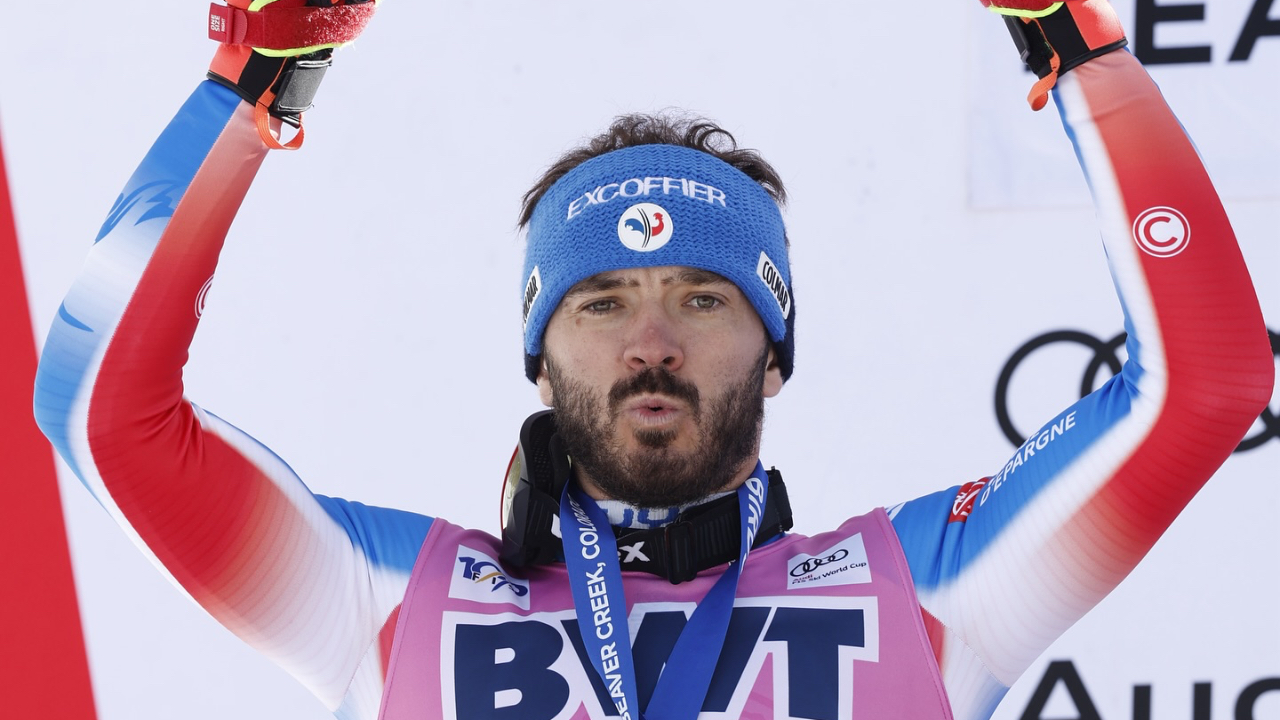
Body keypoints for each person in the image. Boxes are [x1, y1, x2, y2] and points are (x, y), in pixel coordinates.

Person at [32, 0, 1273, 718]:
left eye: (702, 296)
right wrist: (253, 84)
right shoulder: (389, 598)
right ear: (536, 354)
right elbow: (99, 413)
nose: (651, 342)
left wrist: (1074, 48)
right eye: (600, 302)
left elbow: (1200, 385)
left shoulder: (925, 592)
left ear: (775, 350)